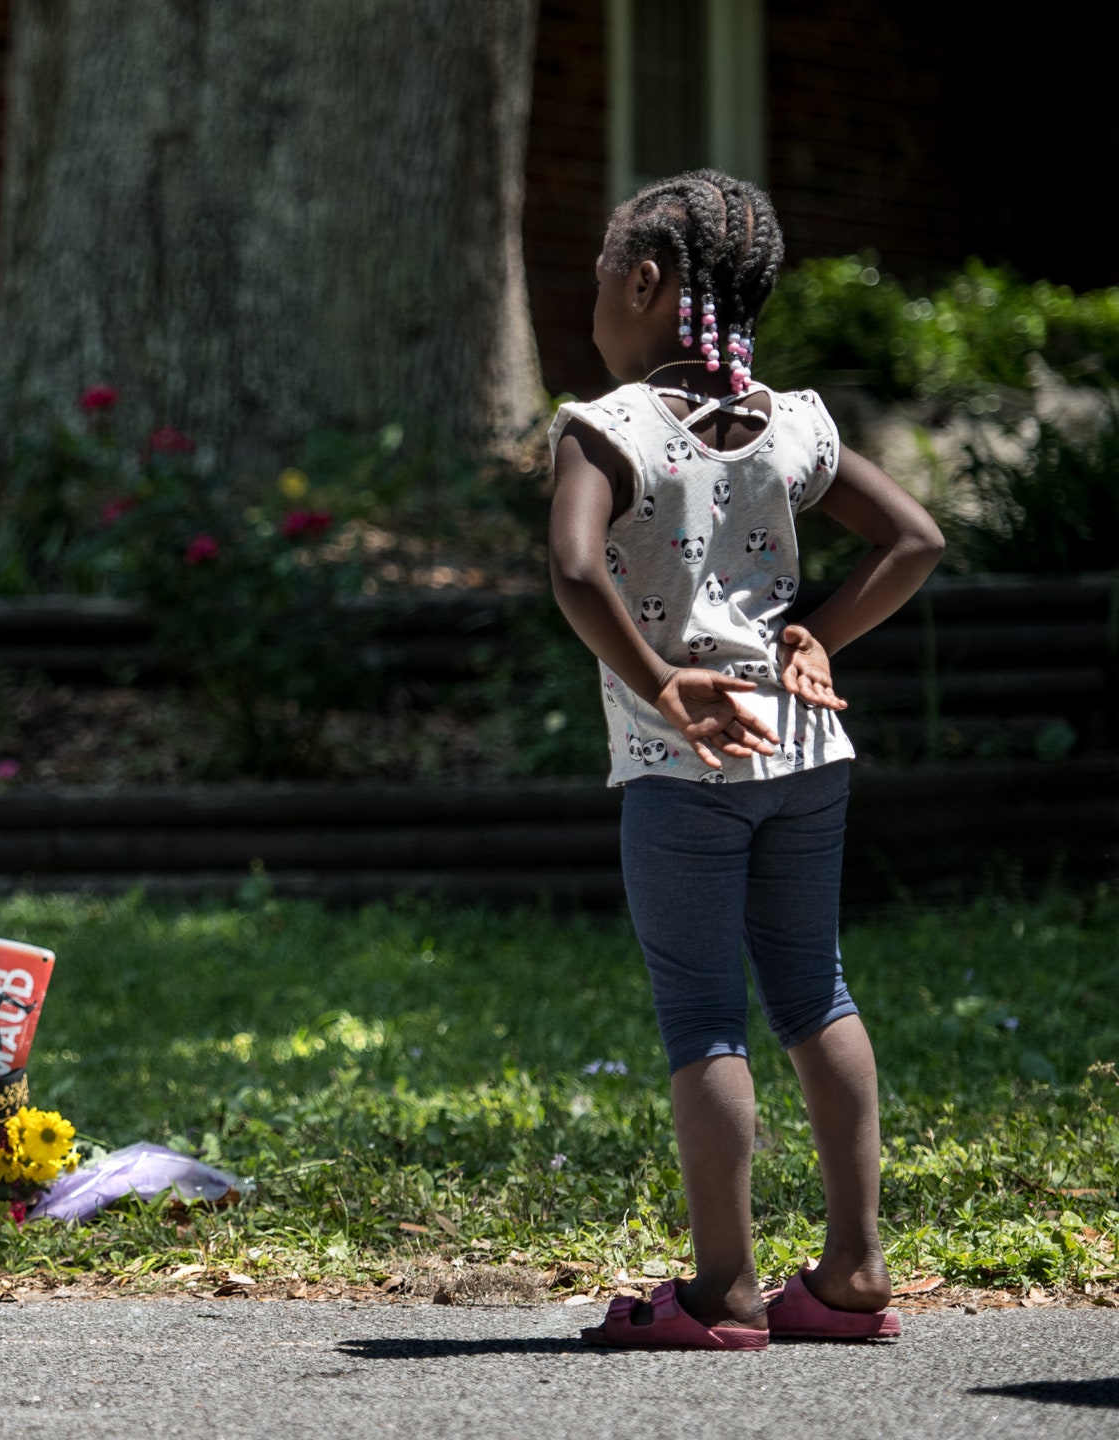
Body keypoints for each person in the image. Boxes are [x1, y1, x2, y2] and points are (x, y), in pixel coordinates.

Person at [546, 171, 945, 1350]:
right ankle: (854, 1271)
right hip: (807, 748)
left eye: (600, 282)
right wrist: (816, 631)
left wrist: (662, 680)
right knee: (814, 992)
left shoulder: (607, 428)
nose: (593, 306)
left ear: (648, 283)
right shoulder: (798, 422)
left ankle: (721, 1290)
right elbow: (913, 539)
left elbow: (574, 571)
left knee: (701, 1017)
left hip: (682, 766)